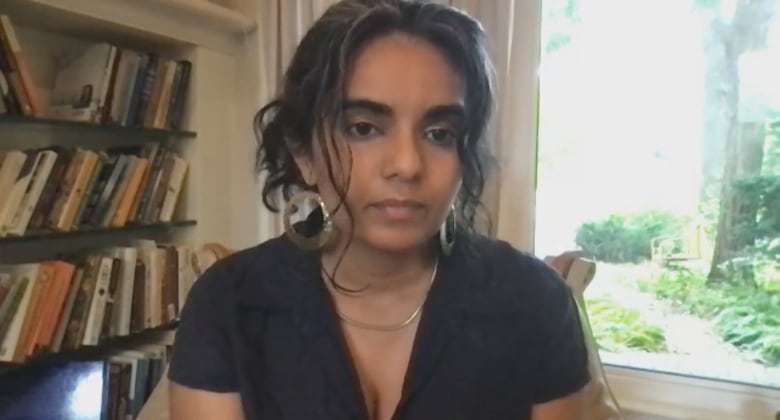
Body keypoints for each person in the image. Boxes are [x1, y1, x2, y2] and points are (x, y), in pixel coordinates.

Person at [167, 1, 590, 419]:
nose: (406, 165)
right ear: (303, 152)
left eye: (440, 133)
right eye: (364, 128)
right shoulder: (228, 305)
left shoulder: (535, 304)